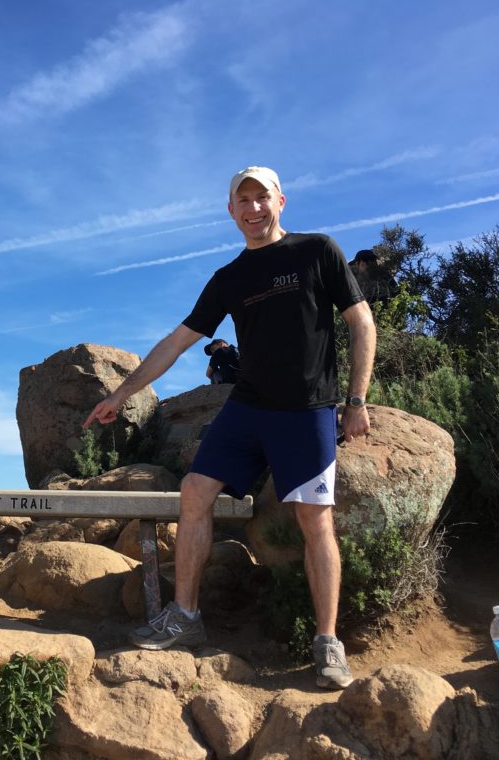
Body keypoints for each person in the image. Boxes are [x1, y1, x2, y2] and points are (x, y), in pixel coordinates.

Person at [84, 166, 376, 690]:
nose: (253, 208)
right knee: (194, 492)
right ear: (231, 211)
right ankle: (185, 617)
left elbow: (361, 322)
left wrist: (356, 400)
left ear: (281, 202)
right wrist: (121, 393)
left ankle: (327, 641)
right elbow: (177, 342)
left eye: (262, 197)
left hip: (306, 409)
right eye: (243, 200)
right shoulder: (229, 277)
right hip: (247, 408)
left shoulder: (317, 251)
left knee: (314, 520)